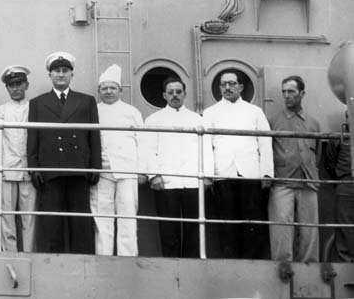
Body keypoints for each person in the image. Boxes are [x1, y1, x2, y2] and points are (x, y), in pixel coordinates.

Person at [27, 52, 101, 254]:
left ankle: (83, 260)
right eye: (57, 71)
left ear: (71, 74)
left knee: (80, 222)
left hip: (78, 169)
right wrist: (33, 168)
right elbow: (33, 137)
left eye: (65, 71)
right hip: (50, 170)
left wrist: (96, 166)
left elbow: (94, 135)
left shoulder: (86, 101)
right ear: (50, 75)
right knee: (52, 223)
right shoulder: (37, 103)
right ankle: (53, 260)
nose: (61, 74)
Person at [203, 70, 273, 259]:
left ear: (241, 87)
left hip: (250, 175)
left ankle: (252, 263)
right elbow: (206, 146)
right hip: (223, 174)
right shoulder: (210, 113)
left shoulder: (255, 112)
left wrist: (267, 174)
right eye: (223, 84)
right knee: (227, 224)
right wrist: (208, 175)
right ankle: (230, 263)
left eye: (232, 83)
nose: (227, 87)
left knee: (252, 223)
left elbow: (265, 143)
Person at [146, 76, 213, 258]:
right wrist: (154, 175)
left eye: (178, 92)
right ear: (164, 95)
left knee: (194, 229)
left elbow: (206, 149)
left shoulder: (197, 119)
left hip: (193, 181)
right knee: (169, 230)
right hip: (166, 182)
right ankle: (171, 266)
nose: (175, 95)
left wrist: (207, 176)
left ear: (184, 94)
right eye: (170, 92)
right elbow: (148, 150)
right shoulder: (153, 120)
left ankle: (191, 266)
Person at [90, 64, 145, 256]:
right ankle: (103, 257)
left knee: (128, 217)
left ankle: (127, 258)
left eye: (112, 88)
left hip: (127, 170)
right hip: (102, 171)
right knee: (101, 218)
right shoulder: (93, 111)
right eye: (104, 88)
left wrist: (142, 171)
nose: (108, 92)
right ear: (99, 91)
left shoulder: (132, 112)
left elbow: (142, 143)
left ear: (120, 90)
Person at [266, 75, 320, 262]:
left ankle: (309, 268)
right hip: (282, 183)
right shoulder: (273, 122)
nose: (287, 96)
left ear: (302, 93)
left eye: (291, 91)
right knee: (281, 228)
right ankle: (282, 268)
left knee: (310, 230)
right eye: (284, 92)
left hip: (308, 182)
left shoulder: (313, 124)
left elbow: (318, 154)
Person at [0, 65, 36, 252]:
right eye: (11, 85)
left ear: (26, 85)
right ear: (7, 88)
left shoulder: (35, 109)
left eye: (19, 84)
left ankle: (29, 254)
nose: (16, 88)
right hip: (7, 170)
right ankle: (9, 255)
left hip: (29, 171)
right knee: (7, 217)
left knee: (29, 218)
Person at [324, 112, 354, 261]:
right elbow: (329, 163)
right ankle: (347, 262)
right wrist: (342, 178)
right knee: (344, 226)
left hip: (344, 185)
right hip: (345, 184)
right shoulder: (338, 138)